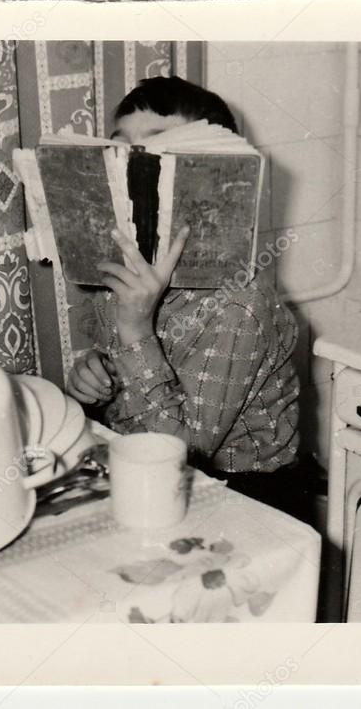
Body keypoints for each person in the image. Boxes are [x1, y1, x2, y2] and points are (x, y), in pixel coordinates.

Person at [66, 76, 305, 514]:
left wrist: (135, 326)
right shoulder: (122, 274)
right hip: (142, 466)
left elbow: (177, 458)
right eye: (121, 151)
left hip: (244, 499)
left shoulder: (240, 304)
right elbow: (130, 386)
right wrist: (94, 377)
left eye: (157, 152)